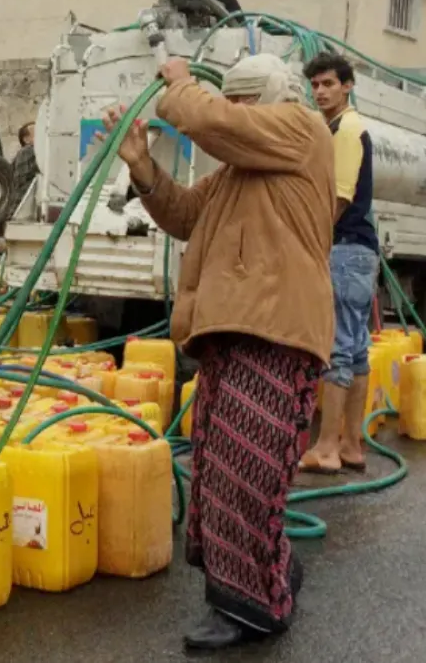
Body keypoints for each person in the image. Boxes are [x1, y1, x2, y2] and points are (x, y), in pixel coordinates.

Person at [110, 54, 334, 650]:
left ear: (273, 97)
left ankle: (251, 607)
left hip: (276, 332)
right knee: (217, 467)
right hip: (233, 331)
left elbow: (215, 122)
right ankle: (271, 571)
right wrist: (142, 167)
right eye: (230, 99)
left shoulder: (303, 130)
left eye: (243, 100)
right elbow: (185, 214)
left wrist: (183, 84)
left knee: (246, 473)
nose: (234, 110)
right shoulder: (239, 171)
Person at [299, 52, 379, 475]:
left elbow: (341, 196)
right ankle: (351, 445)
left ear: (347, 86)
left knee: (337, 348)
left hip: (344, 248)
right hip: (359, 250)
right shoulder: (335, 127)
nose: (320, 92)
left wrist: (313, 240)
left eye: (328, 83)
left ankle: (327, 447)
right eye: (315, 85)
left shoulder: (347, 130)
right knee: (357, 349)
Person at [9, 121, 39, 215]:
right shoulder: (27, 151)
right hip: (21, 207)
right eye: (37, 133)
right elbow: (22, 182)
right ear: (26, 139)